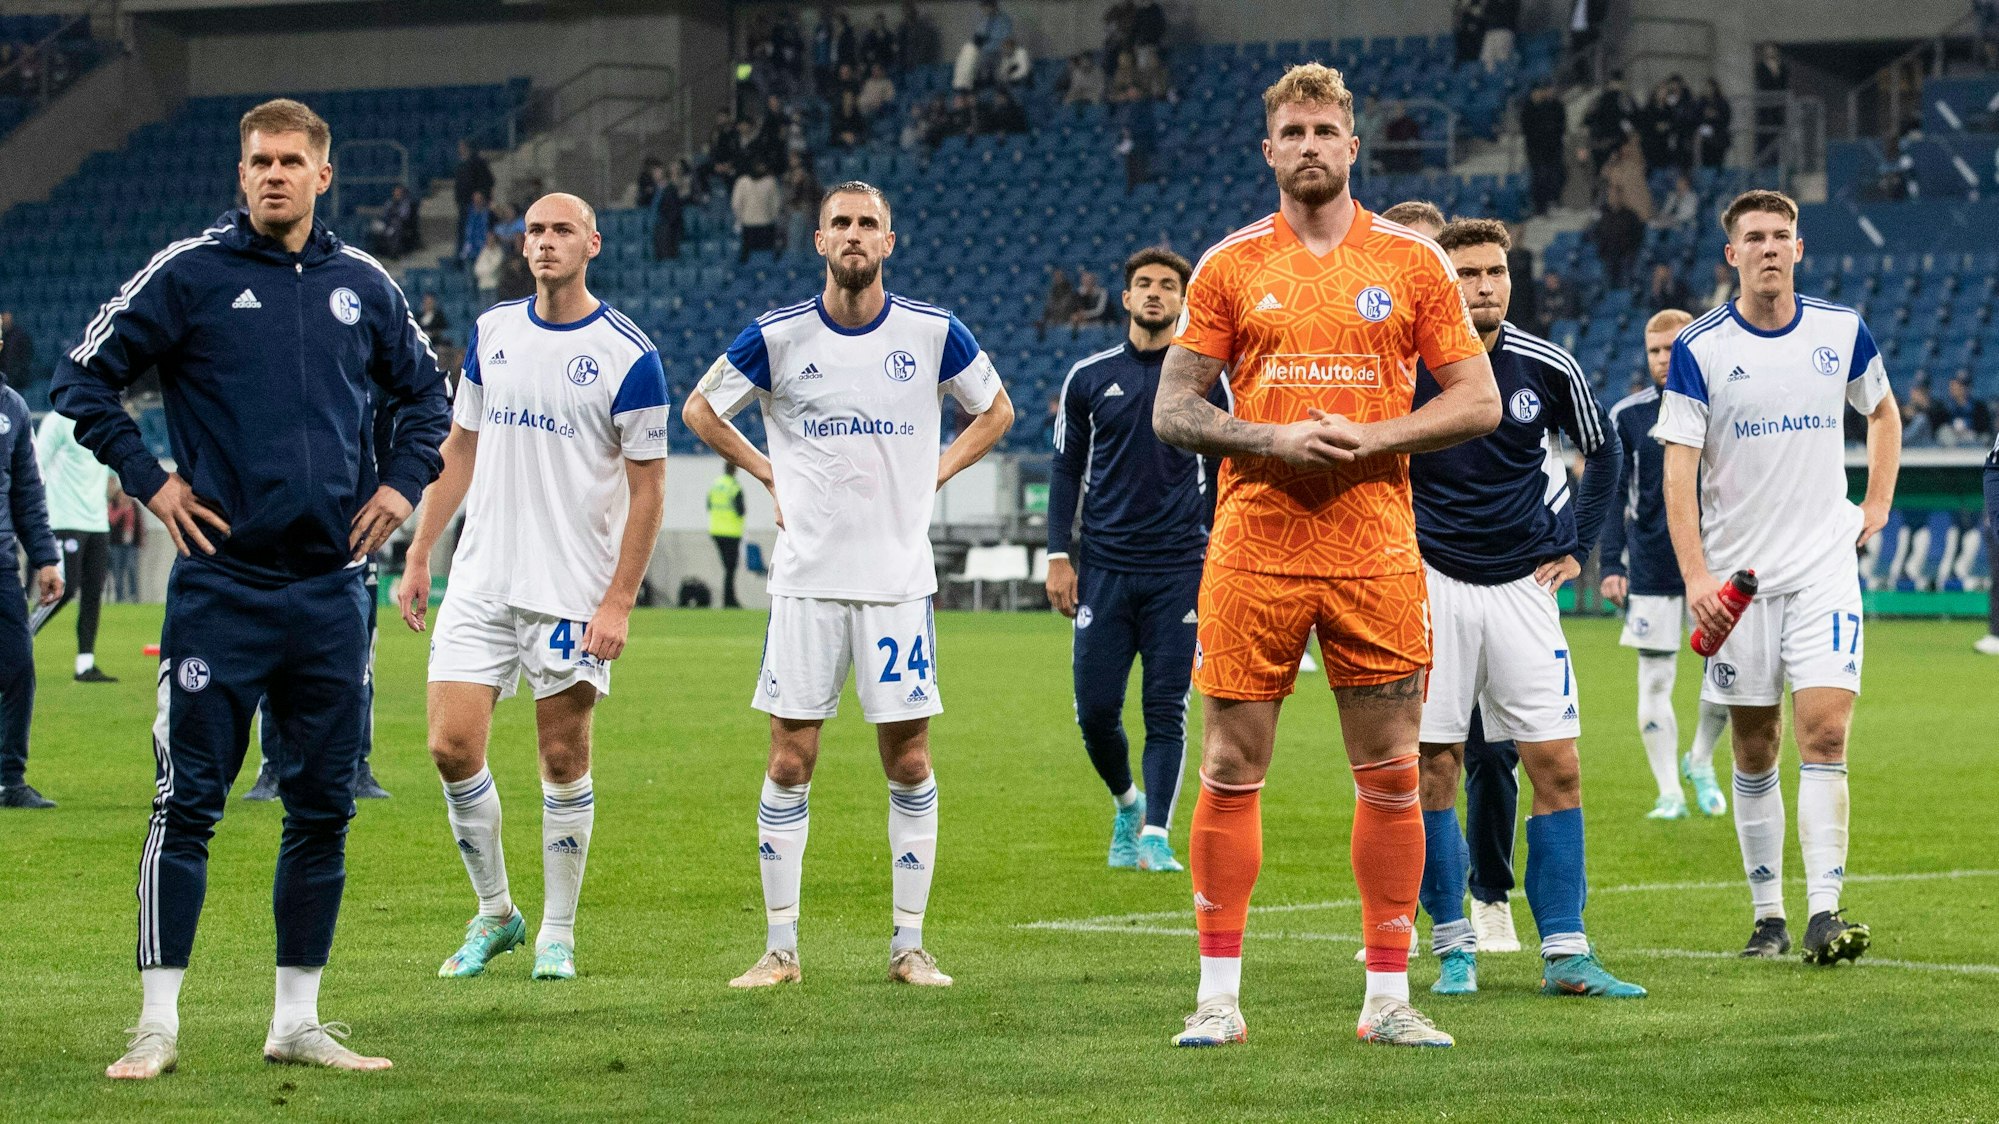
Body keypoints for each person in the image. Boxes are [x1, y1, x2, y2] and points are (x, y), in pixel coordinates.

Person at [55, 98, 449, 1078]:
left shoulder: (366, 284)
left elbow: (428, 395)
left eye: (290, 161)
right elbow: (81, 379)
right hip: (220, 590)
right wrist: (151, 480)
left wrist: (403, 484)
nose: (272, 173)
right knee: (187, 801)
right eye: (258, 160)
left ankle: (298, 1018)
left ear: (324, 175)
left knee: (322, 806)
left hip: (329, 591)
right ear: (242, 175)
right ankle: (156, 1023)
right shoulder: (189, 275)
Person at [1150, 63, 1500, 1049]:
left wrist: (1377, 436)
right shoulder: (1227, 266)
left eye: (1324, 130)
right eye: (1291, 131)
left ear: (1353, 147)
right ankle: (1217, 995)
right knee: (1228, 761)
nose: (1308, 144)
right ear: (1268, 150)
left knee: (1391, 769)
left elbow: (1476, 399)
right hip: (1253, 545)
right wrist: (1269, 440)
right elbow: (1172, 407)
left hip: (1375, 547)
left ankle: (1386, 997)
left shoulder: (1413, 264)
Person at [683, 180, 1015, 991]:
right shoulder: (779, 336)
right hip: (805, 584)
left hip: (896, 583)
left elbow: (996, 411)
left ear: (889, 243)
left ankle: (909, 946)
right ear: (820, 241)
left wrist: (933, 472)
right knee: (791, 760)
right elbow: (698, 408)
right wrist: (769, 473)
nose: (855, 235)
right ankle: (780, 950)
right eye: (841, 223)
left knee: (907, 761)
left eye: (869, 224)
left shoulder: (933, 333)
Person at [395, 192, 667, 986]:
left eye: (560, 231)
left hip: (569, 590)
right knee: (449, 747)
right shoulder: (492, 333)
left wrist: (618, 599)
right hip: (481, 578)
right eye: (534, 232)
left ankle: (556, 931)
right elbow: (460, 447)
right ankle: (496, 913)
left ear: (593, 244)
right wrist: (421, 551)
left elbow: (649, 490)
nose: (544, 243)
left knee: (560, 756)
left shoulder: (628, 354)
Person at [1655, 189, 1900, 964]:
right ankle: (1769, 917)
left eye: (1780, 236)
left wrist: (1877, 505)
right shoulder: (1700, 348)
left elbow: (1883, 414)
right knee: (1754, 747)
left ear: (1799, 249)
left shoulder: (1840, 330)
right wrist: (1695, 575)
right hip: (1738, 583)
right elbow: (1678, 471)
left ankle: (1825, 911)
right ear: (1731, 255)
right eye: (1753, 237)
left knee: (1823, 731)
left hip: (1823, 567)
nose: (1768, 247)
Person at [1404, 218, 1638, 1000]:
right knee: (1433, 766)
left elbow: (1603, 448)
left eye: (1494, 272)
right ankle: (1452, 949)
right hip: (1431, 584)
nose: (1483, 286)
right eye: (1466, 272)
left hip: (1523, 590)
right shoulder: (1406, 365)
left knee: (1557, 766)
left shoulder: (1548, 364)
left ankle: (1567, 953)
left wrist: (1580, 547)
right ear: (1441, 279)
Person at [1047, 247, 1210, 876]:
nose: (1154, 294)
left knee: (1165, 709)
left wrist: (1218, 551)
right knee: (1095, 713)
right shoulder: (1088, 378)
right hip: (1106, 569)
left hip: (1179, 570)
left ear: (1182, 301)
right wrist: (1060, 554)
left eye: (1167, 286)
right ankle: (1127, 802)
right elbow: (1066, 471)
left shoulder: (1203, 377)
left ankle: (1154, 835)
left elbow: (1226, 471)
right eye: (1143, 284)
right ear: (1125, 297)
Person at [1600, 309, 1733, 819]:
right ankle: (1669, 791)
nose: (1662, 359)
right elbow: (1614, 494)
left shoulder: (1722, 406)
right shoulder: (1628, 415)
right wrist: (1612, 561)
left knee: (1726, 675)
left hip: (1716, 559)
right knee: (1656, 679)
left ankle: (1699, 759)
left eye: (1672, 348)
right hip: (1653, 563)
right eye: (1654, 350)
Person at [2, 374, 64, 808]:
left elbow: (27, 491)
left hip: (2, 566)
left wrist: (45, 558)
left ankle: (10, 779)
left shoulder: (13, 408)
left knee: (19, 666)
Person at [28, 406, 116, 680]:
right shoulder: (57, 422)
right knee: (63, 589)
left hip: (97, 522)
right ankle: (17, 640)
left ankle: (85, 664)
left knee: (92, 592)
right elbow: (34, 465)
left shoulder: (101, 421)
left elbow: (110, 472)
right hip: (64, 519)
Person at [1521, 83, 1568, 216]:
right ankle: (1540, 207)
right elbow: (1527, 129)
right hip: (1536, 150)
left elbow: (1560, 125)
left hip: (1552, 148)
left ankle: (1552, 201)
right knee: (1539, 178)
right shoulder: (1529, 108)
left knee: (1554, 176)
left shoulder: (1554, 106)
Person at [708, 463, 747, 609]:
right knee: (731, 568)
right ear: (735, 470)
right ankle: (729, 600)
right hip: (731, 532)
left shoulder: (716, 485)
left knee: (727, 568)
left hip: (716, 531)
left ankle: (729, 599)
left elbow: (709, 505)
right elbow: (741, 510)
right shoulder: (734, 487)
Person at [733, 162, 781, 263]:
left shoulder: (770, 182)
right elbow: (736, 204)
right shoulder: (743, 181)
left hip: (765, 225)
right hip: (752, 226)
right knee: (749, 260)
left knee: (767, 259)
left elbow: (776, 205)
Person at [453, 139, 495, 253]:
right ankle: (461, 254)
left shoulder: (477, 161)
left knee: (476, 228)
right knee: (463, 229)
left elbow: (488, 180)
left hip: (475, 203)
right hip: (463, 201)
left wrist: (480, 192)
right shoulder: (461, 163)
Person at [108, 489, 141, 602]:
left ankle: (134, 596)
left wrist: (140, 540)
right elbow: (111, 521)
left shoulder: (134, 506)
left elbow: (139, 523)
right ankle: (119, 597)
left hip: (131, 544)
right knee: (117, 571)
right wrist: (122, 510)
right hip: (116, 544)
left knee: (132, 568)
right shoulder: (113, 506)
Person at [0, 310, 34, 388]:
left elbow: (26, 356)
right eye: (3, 318)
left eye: (7, 318)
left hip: (18, 378)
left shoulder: (20, 336)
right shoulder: (2, 336)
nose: (5, 320)